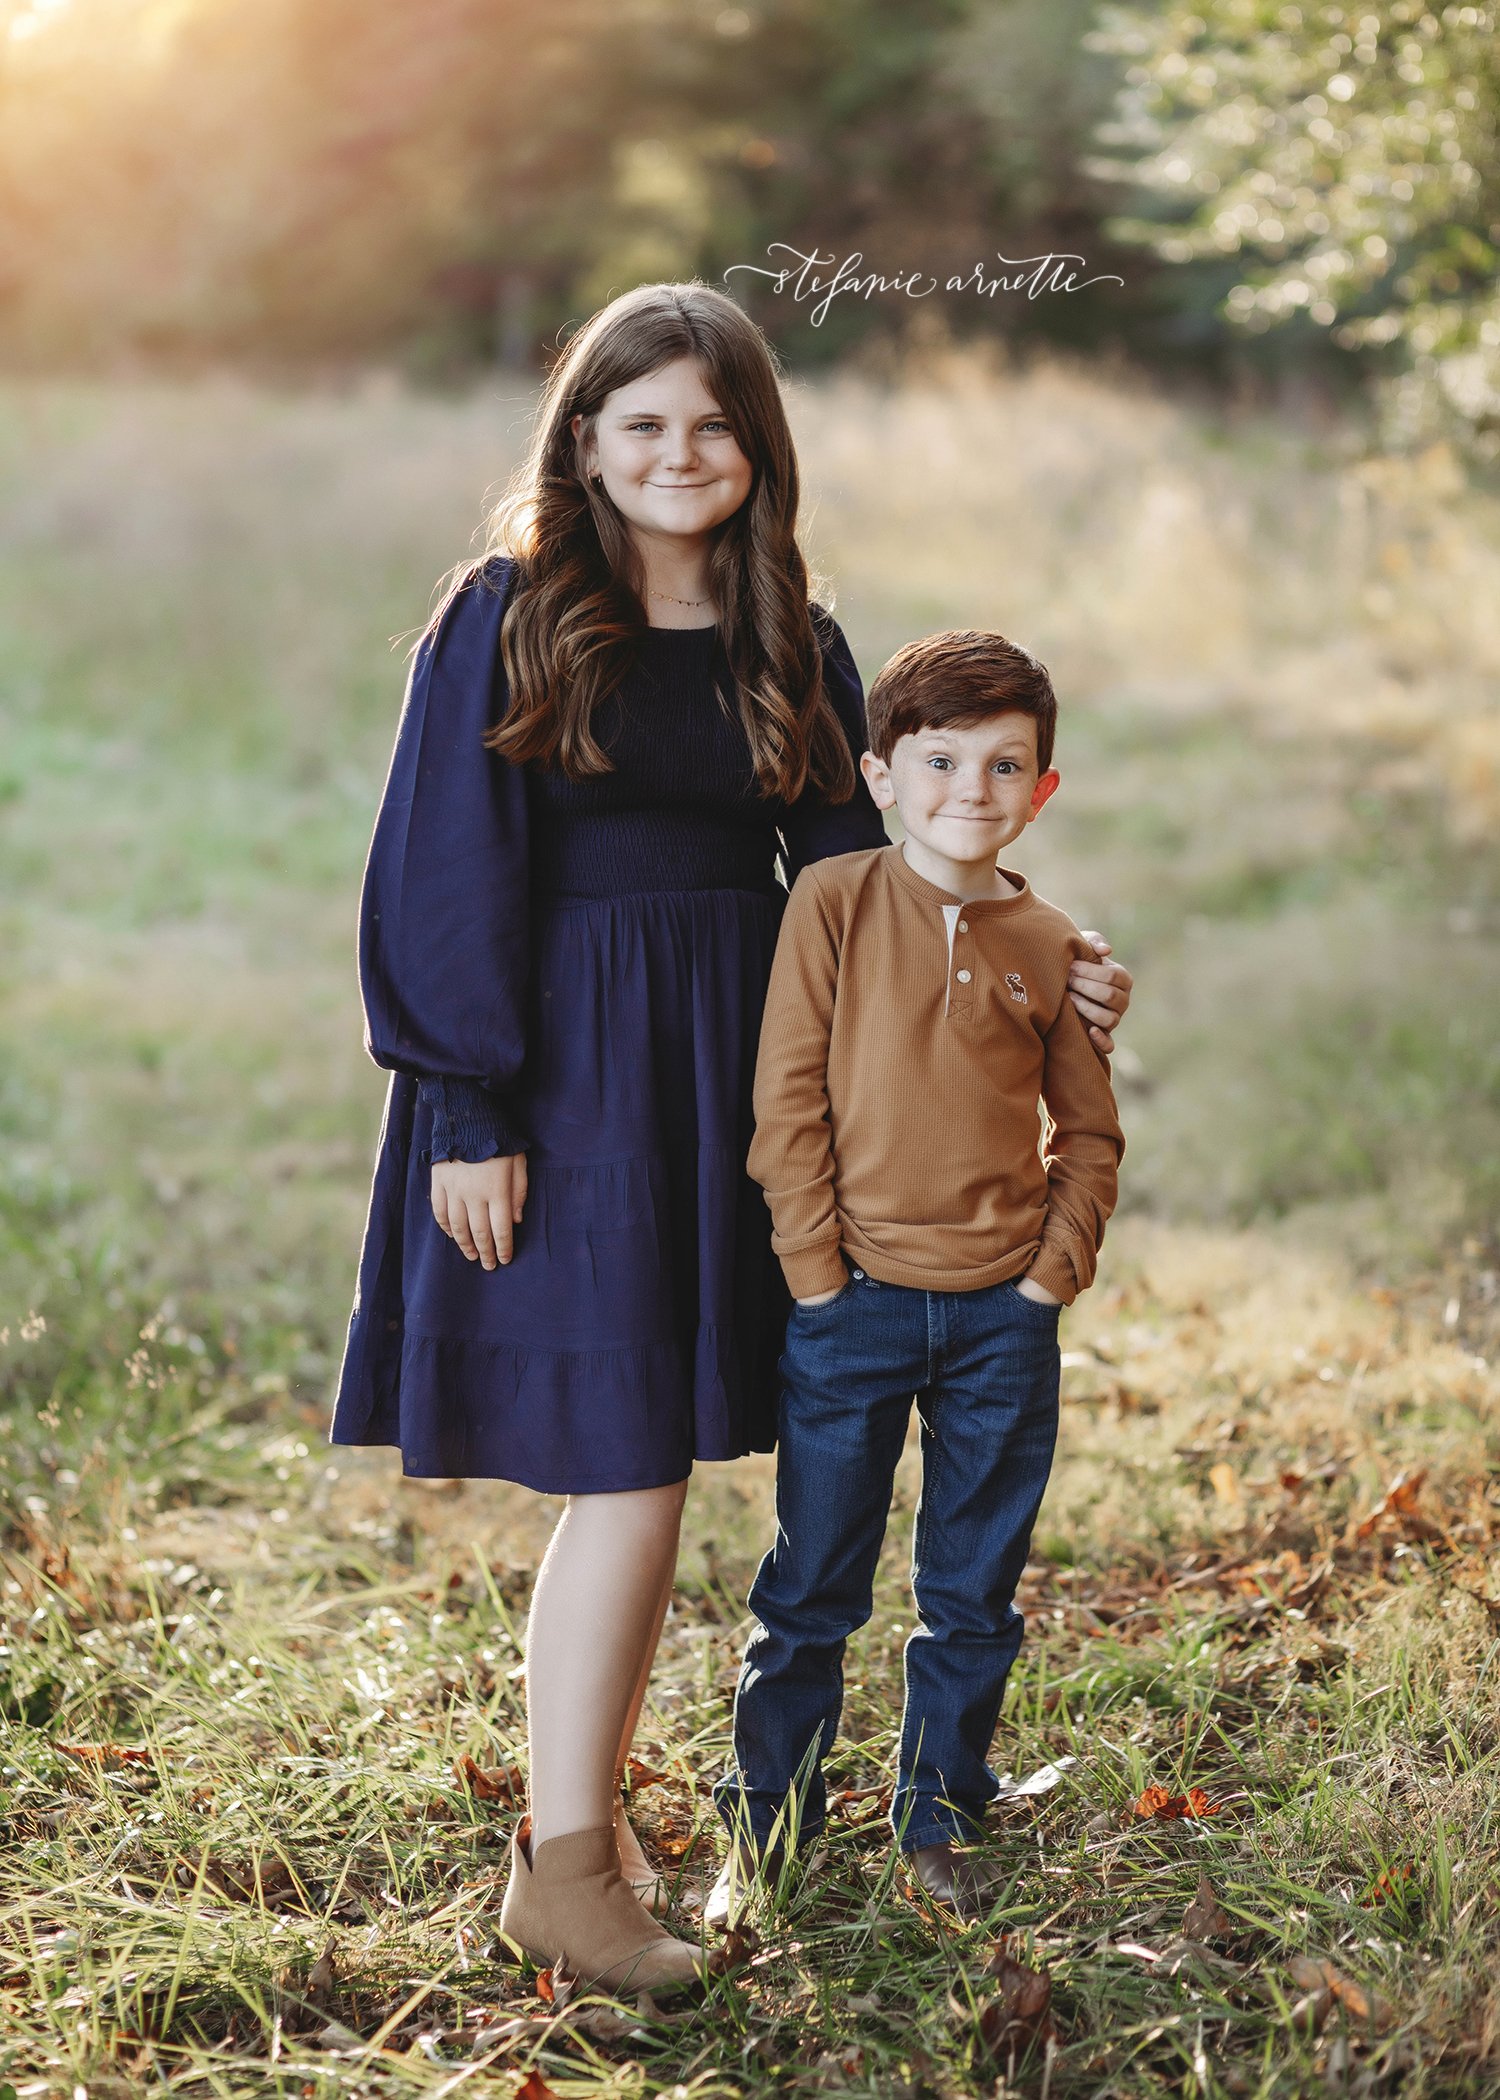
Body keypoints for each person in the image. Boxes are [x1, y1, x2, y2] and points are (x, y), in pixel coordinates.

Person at [329, 283, 1134, 1992]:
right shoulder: (508, 613)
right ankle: (563, 1866)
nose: (679, 455)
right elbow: (437, 872)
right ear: (587, 445)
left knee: (658, 1466)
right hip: (563, 1080)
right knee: (622, 1470)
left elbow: (885, 871)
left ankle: (584, 1821)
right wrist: (468, 1107)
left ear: (756, 446)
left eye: (711, 425)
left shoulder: (796, 639)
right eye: (642, 426)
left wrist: (1044, 973)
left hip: (739, 1069)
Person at [711, 628, 1124, 1922]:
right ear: (882, 774)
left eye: (1007, 767)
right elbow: (786, 1105)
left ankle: (939, 1817)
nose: (972, 791)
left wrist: (1054, 1275)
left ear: (1042, 791)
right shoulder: (831, 901)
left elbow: (1090, 1128)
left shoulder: (1048, 940)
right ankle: (764, 1836)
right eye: (940, 761)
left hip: (1005, 1317)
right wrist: (817, 1277)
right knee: (811, 1587)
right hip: (856, 1310)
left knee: (972, 1594)